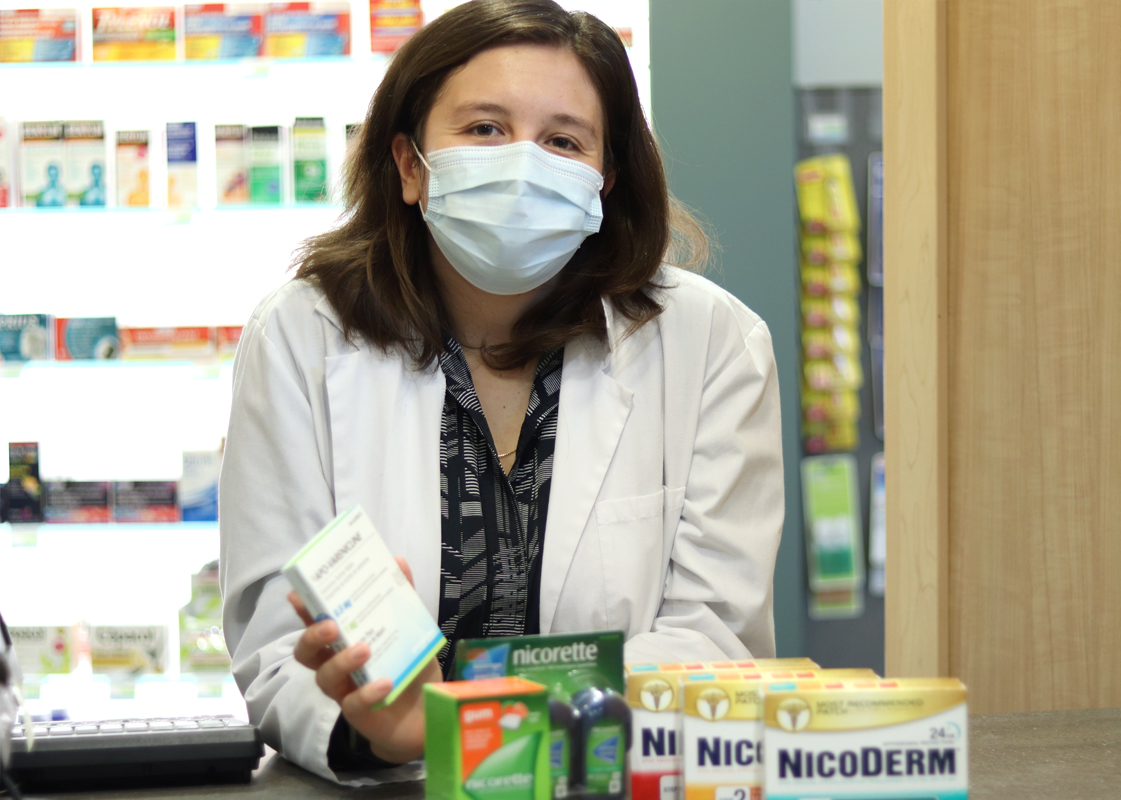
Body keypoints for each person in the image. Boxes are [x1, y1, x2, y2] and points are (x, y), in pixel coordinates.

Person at [219, 0, 784, 786]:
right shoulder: (301, 337)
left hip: (611, 782)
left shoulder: (710, 342)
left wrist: (466, 724)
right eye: (484, 129)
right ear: (411, 166)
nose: (524, 163)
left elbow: (713, 637)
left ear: (603, 181)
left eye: (563, 141)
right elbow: (279, 644)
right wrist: (385, 734)